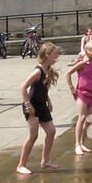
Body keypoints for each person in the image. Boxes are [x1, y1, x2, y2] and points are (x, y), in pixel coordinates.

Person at [16, 42, 61, 175]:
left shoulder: (48, 70)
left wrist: (49, 101)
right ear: (47, 55)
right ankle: (21, 165)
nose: (56, 56)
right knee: (33, 136)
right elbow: (23, 87)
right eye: (55, 54)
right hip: (32, 105)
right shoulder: (38, 71)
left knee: (51, 131)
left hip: (42, 105)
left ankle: (45, 161)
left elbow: (43, 90)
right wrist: (28, 105)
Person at [66, 37, 92, 155]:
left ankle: (82, 143)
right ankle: (77, 144)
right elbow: (68, 73)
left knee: (89, 119)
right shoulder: (82, 63)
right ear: (87, 51)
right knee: (81, 118)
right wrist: (71, 87)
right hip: (82, 93)